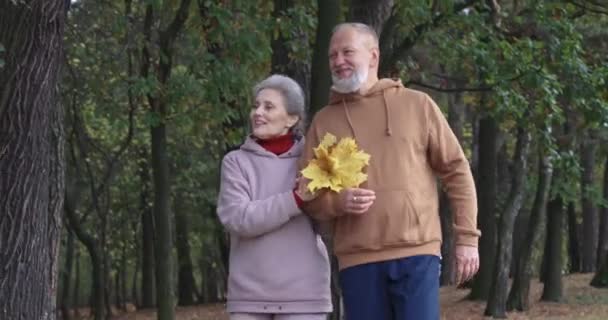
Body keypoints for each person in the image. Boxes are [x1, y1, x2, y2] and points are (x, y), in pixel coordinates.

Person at [296, 22, 480, 320]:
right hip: (357, 259)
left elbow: (457, 171)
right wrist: (337, 202)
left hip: (418, 252)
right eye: (332, 55)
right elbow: (307, 197)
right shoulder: (323, 122)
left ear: (373, 56)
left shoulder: (417, 105)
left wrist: (467, 238)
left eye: (347, 52)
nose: (338, 61)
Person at [217, 74, 332, 320]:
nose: (257, 112)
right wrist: (295, 200)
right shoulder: (235, 162)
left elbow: (327, 225)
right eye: (255, 106)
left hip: (305, 297)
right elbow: (237, 218)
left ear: (292, 118)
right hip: (249, 298)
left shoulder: (316, 162)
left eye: (268, 107)